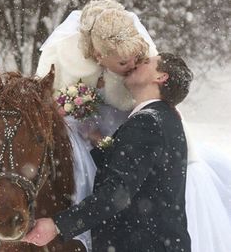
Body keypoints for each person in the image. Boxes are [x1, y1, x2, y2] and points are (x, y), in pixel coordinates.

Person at [22, 52, 193, 251]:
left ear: (161, 77)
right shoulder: (162, 120)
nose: (136, 64)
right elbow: (122, 170)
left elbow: (116, 193)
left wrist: (58, 225)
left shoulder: (148, 123)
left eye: (146, 62)